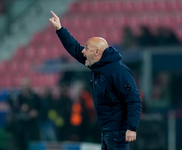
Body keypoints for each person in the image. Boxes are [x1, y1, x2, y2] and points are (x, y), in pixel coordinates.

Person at [49, 11, 142, 150]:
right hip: (106, 131)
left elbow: (134, 99)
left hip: (117, 132)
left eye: (87, 48)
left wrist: (131, 128)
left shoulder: (119, 71)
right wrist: (60, 29)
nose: (83, 52)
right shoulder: (97, 65)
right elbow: (75, 49)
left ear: (97, 52)